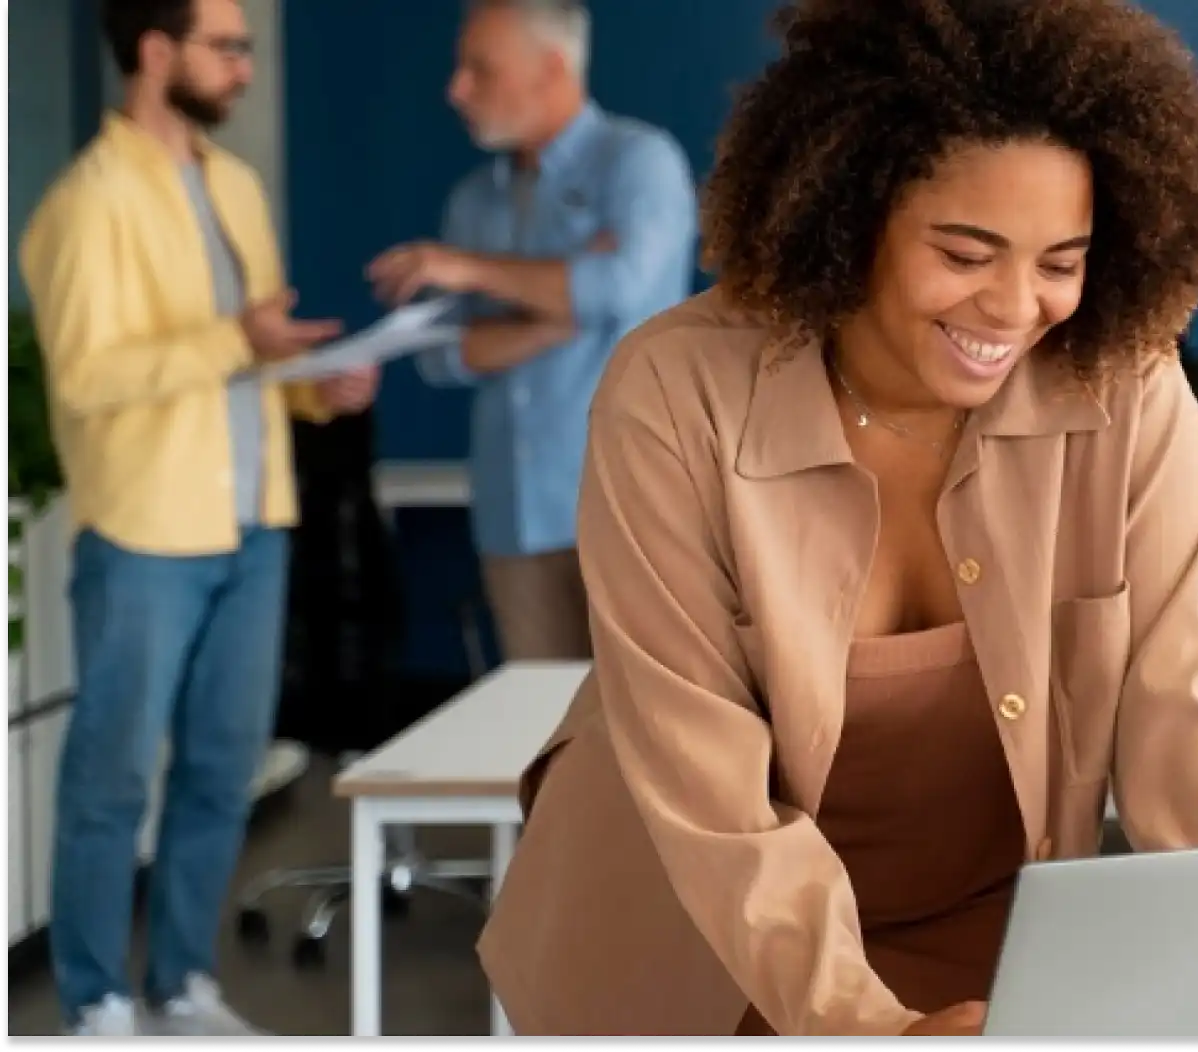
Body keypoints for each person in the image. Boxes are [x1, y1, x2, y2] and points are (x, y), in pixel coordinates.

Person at [477, 0, 1198, 1036]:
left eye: (1059, 262)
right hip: (693, 934)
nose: (1010, 308)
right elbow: (706, 787)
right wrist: (868, 1025)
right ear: (849, 212)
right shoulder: (675, 392)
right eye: (963, 253)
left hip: (987, 928)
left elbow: (1194, 725)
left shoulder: (1127, 390)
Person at [19, 0, 379, 1037]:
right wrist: (234, 336)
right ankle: (94, 997)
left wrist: (315, 387)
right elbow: (88, 379)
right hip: (145, 535)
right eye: (229, 48)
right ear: (154, 50)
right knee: (112, 778)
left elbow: (250, 358)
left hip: (252, 525)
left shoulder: (234, 186)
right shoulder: (84, 205)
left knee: (222, 768)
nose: (245, 70)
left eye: (247, 49)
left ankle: (182, 981)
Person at [368, 0, 698, 661]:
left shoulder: (639, 162)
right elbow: (443, 355)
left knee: (645, 732)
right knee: (541, 737)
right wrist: (562, 304)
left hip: (630, 510)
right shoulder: (472, 200)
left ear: (551, 69)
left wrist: (467, 270)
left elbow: (624, 288)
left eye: (479, 70)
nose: (455, 89)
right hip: (512, 518)